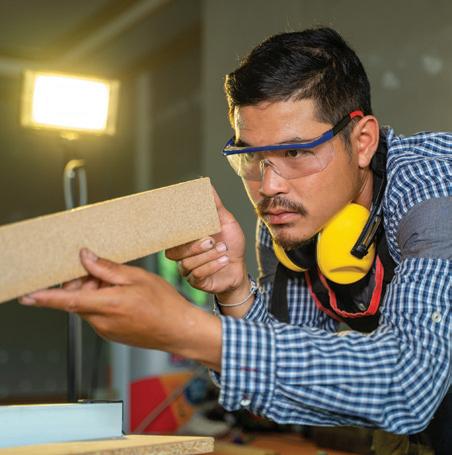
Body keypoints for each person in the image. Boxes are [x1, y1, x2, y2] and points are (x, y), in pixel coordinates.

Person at [20, 28, 450, 453]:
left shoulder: (433, 193)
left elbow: (409, 385)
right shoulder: (290, 215)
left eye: (295, 153)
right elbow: (294, 375)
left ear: (363, 141)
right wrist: (234, 290)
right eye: (252, 156)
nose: (269, 186)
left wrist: (185, 329)